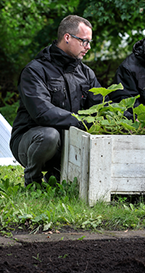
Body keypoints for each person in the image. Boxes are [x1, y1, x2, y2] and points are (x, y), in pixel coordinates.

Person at [10, 15, 103, 186]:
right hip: (31, 141)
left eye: (90, 42)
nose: (88, 47)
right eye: (84, 41)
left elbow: (100, 107)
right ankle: (33, 181)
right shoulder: (35, 71)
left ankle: (56, 177)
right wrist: (80, 120)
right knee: (49, 135)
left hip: (68, 143)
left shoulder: (87, 73)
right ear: (67, 37)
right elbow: (42, 113)